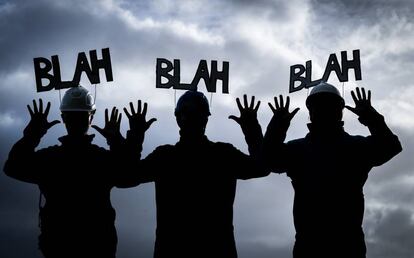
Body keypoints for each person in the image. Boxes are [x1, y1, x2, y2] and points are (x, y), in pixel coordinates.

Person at [121, 90, 269, 258]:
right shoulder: (223, 155)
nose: (187, 119)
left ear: (178, 119)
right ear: (205, 118)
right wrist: (251, 129)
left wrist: (136, 136)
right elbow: (262, 167)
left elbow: (127, 177)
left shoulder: (165, 157)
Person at [263, 82, 402, 258]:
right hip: (333, 247)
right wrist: (370, 116)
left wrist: (277, 126)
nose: (322, 111)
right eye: (319, 107)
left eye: (326, 106)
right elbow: (267, 160)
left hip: (329, 247)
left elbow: (267, 159)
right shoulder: (355, 148)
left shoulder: (300, 150)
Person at [3, 85, 144, 258]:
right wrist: (122, 141)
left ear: (63, 118)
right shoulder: (102, 160)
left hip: (58, 247)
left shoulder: (48, 159)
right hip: (98, 248)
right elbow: (131, 176)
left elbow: (13, 167)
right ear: (90, 117)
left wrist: (32, 135)